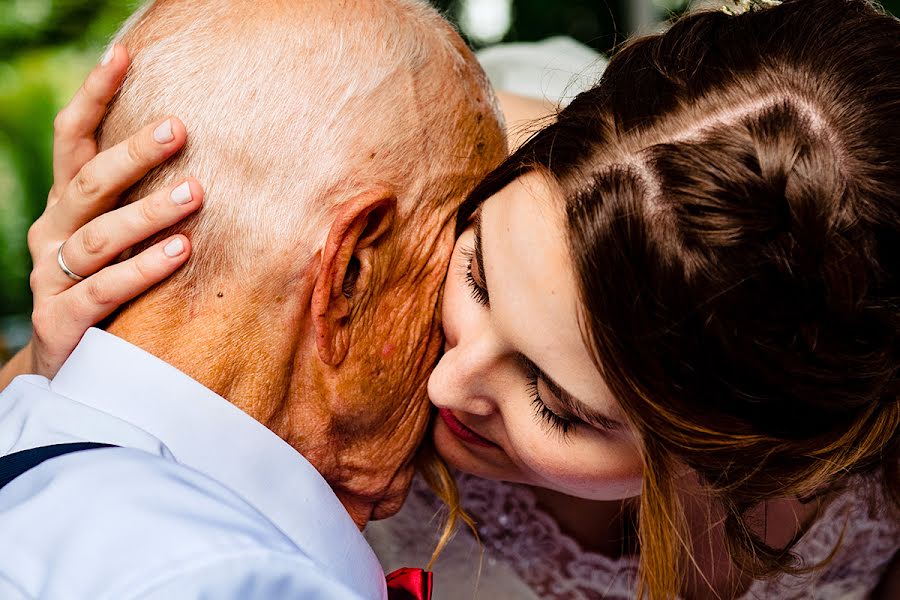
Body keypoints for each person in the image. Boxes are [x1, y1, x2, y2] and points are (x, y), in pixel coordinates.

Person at [4, 0, 899, 599]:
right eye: (475, 276)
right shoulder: (411, 171)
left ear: (739, 460)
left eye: (557, 404)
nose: (447, 383)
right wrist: (78, 363)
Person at [0, 0, 505, 598]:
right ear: (349, 275)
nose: (463, 347)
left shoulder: (32, 447)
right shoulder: (230, 578)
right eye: (468, 278)